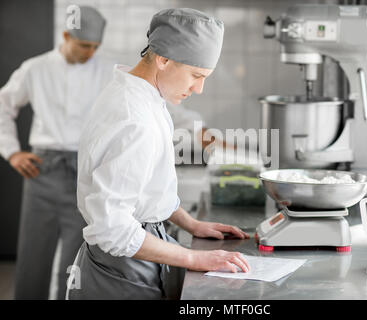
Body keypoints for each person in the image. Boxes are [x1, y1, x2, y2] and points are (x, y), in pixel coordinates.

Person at [67, 8, 250, 300]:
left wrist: (190, 224)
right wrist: (194, 258)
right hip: (123, 268)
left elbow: (146, 190)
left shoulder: (144, 96)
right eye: (196, 75)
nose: (199, 89)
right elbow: (112, 229)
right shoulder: (134, 119)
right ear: (164, 59)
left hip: (135, 254)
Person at [0, 6, 113, 299]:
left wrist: (197, 128)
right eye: (84, 45)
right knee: (33, 254)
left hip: (84, 175)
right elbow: (3, 105)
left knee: (76, 258)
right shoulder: (35, 68)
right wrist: (12, 152)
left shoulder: (107, 72)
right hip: (42, 171)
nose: (91, 53)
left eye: (96, 47)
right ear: (65, 35)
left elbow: (148, 101)